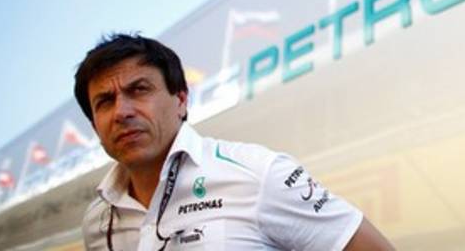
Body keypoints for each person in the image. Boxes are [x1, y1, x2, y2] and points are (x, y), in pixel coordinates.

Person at [74, 33, 395, 250]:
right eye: (105, 101)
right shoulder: (97, 222)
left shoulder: (259, 173)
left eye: (139, 90)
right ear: (94, 125)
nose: (122, 112)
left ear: (181, 100)